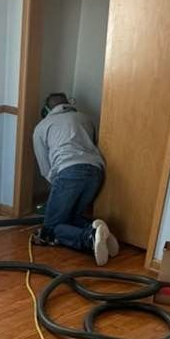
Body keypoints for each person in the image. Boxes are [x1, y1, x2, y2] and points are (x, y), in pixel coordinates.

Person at [32, 93, 120, 265]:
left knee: (51, 228)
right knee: (72, 216)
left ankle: (90, 237)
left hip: (68, 171)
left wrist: (57, 192)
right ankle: (101, 232)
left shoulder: (42, 126)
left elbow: (45, 168)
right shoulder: (85, 119)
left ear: (46, 110)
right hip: (96, 171)